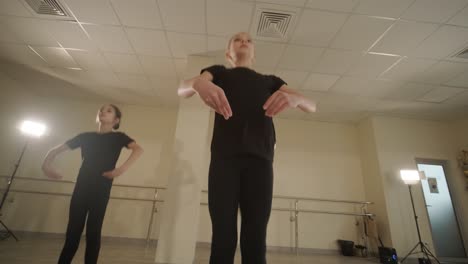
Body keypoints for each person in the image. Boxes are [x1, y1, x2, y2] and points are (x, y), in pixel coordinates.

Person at [178, 32, 316, 264]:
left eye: (249, 40)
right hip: (224, 161)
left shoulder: (270, 81)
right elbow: (182, 90)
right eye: (237, 39)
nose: (244, 41)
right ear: (228, 53)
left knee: (255, 238)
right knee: (223, 237)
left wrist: (297, 99)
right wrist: (198, 83)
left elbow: (311, 105)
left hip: (260, 162)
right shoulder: (218, 72)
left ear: (254, 53)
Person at [41, 104, 143, 264]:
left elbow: (138, 150)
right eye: (101, 109)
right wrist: (46, 164)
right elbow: (54, 151)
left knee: (93, 233)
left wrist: (120, 170)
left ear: (116, 120)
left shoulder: (119, 137)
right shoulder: (85, 136)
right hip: (82, 186)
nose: (103, 111)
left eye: (108, 111)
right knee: (72, 233)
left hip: (101, 188)